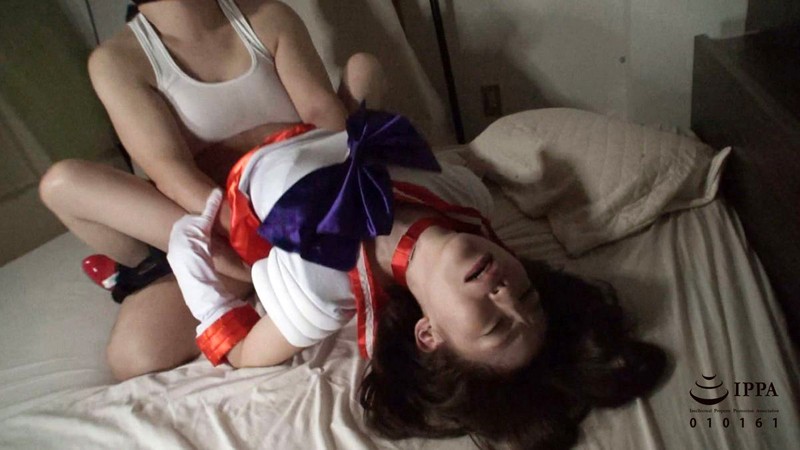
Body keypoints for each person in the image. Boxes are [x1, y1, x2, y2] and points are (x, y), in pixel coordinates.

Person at [167, 107, 668, 449]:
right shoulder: (468, 195)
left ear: (429, 335)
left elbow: (243, 353)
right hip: (307, 118)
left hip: (224, 187)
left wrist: (190, 263)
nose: (505, 292)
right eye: (528, 296)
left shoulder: (319, 289)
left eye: (495, 325)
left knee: (123, 170)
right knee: (364, 65)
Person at [38, 0, 385, 380]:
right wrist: (250, 246)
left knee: (364, 70)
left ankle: (143, 270)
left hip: (304, 194)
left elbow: (326, 122)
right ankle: (142, 268)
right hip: (221, 233)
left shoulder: (269, 18)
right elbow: (173, 173)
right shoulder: (117, 60)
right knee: (132, 356)